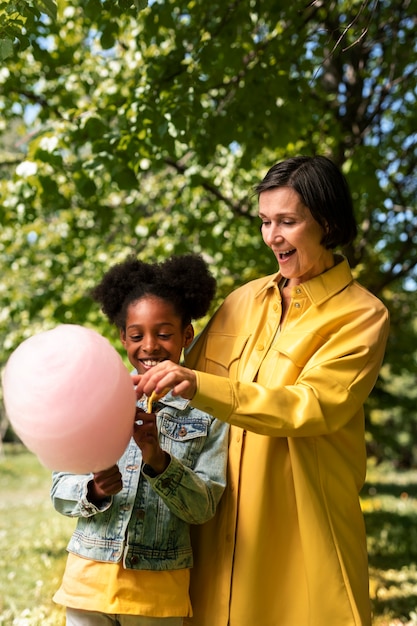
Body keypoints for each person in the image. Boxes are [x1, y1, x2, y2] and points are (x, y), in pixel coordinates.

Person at [134, 156, 390, 626]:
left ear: (327, 222)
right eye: (265, 221)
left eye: (288, 222)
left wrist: (198, 384)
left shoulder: (362, 315)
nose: (273, 236)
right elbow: (178, 388)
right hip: (216, 530)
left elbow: (309, 406)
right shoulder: (242, 300)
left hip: (300, 538)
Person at [51, 254, 229, 626]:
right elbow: (59, 489)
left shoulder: (209, 413)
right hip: (87, 584)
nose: (149, 346)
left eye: (164, 334)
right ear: (123, 337)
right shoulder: (96, 398)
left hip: (157, 595)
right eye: (136, 335)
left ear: (187, 336)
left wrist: (157, 458)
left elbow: (203, 508)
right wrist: (95, 489)